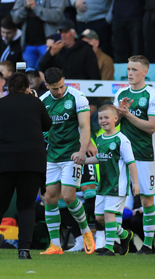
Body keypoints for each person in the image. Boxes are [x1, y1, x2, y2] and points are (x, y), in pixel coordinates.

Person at [0, 73, 50, 259]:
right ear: (27, 88)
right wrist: (33, 102)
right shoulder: (36, 103)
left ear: (8, 87)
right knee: (26, 207)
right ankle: (24, 250)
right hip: (31, 162)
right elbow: (47, 125)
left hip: (4, 161)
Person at [38, 67, 96, 255]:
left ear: (65, 81)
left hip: (72, 154)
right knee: (50, 197)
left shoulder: (77, 97)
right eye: (55, 88)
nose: (60, 91)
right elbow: (41, 130)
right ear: (47, 86)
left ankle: (86, 231)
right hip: (52, 155)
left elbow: (85, 125)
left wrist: (82, 151)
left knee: (69, 196)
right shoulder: (43, 101)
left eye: (62, 86)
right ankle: (55, 245)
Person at [85, 104, 140, 255]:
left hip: (117, 184)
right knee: (100, 217)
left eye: (106, 117)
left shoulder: (122, 140)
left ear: (115, 118)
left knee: (109, 215)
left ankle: (109, 247)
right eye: (100, 118)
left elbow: (131, 162)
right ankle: (124, 235)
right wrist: (83, 160)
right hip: (103, 185)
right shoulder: (100, 138)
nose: (103, 121)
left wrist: (135, 184)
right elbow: (99, 158)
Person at [114, 56, 155, 254]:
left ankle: (147, 244)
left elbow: (151, 127)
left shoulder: (151, 94)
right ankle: (116, 239)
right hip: (121, 155)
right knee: (115, 198)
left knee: (147, 200)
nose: (130, 73)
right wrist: (117, 116)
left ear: (145, 72)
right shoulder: (121, 93)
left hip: (145, 154)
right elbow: (111, 125)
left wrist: (127, 114)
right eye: (129, 69)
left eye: (134, 70)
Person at [10, 0, 66, 70]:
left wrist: (35, 7)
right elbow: (15, 18)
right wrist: (26, 7)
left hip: (47, 43)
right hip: (28, 44)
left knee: (46, 75)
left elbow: (57, 16)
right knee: (30, 77)